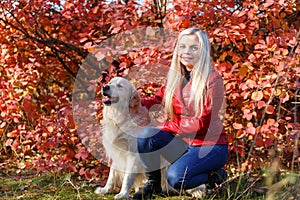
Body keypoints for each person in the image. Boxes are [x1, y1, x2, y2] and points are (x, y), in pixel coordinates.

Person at [131, 28, 228, 199]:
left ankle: (216, 177)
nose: (186, 52)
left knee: (176, 179)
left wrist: (167, 126)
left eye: (193, 47)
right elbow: (156, 100)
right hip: (185, 144)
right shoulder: (175, 77)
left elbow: (200, 123)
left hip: (210, 146)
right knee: (147, 135)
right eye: (182, 47)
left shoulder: (213, 79)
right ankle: (153, 186)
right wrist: (134, 103)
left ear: (203, 50)